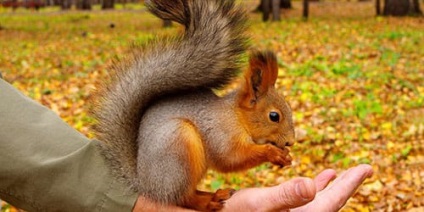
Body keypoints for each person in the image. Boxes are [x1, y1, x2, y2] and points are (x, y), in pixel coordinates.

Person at [0, 77, 373, 211]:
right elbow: (226, 158)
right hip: (160, 164)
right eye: (276, 122)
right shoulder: (229, 117)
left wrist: (264, 151)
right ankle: (189, 199)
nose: (287, 136)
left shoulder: (233, 119)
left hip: (156, 172)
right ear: (250, 99)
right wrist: (263, 152)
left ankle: (190, 196)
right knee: (183, 136)